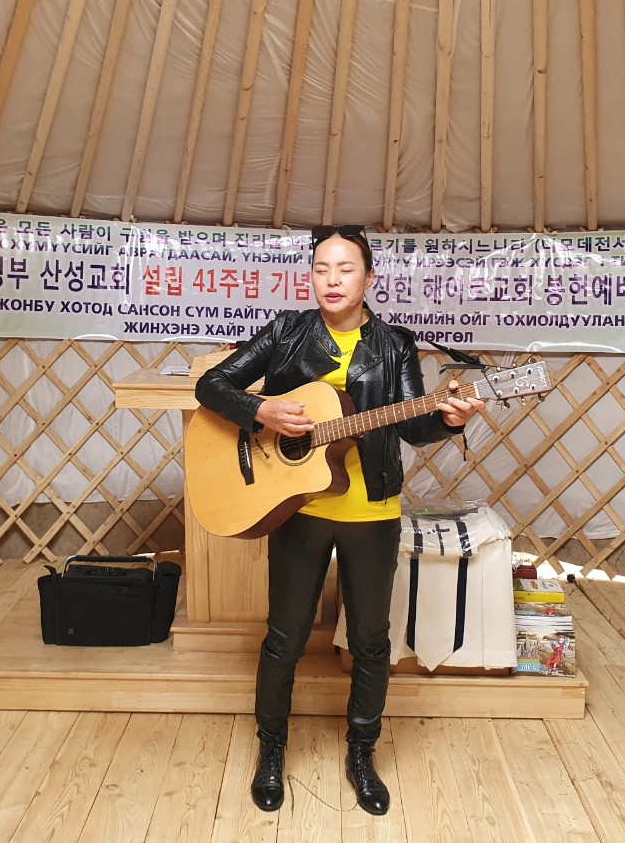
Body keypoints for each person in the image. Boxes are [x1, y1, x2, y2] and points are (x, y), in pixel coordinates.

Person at [194, 223, 485, 816]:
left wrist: (447, 419)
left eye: (346, 268)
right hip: (298, 506)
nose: (332, 279)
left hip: (370, 508)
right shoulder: (287, 331)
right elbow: (211, 384)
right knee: (285, 637)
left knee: (372, 641)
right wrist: (261, 411)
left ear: (369, 278)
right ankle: (271, 750)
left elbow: (412, 426)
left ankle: (361, 753)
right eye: (321, 268)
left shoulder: (395, 345)